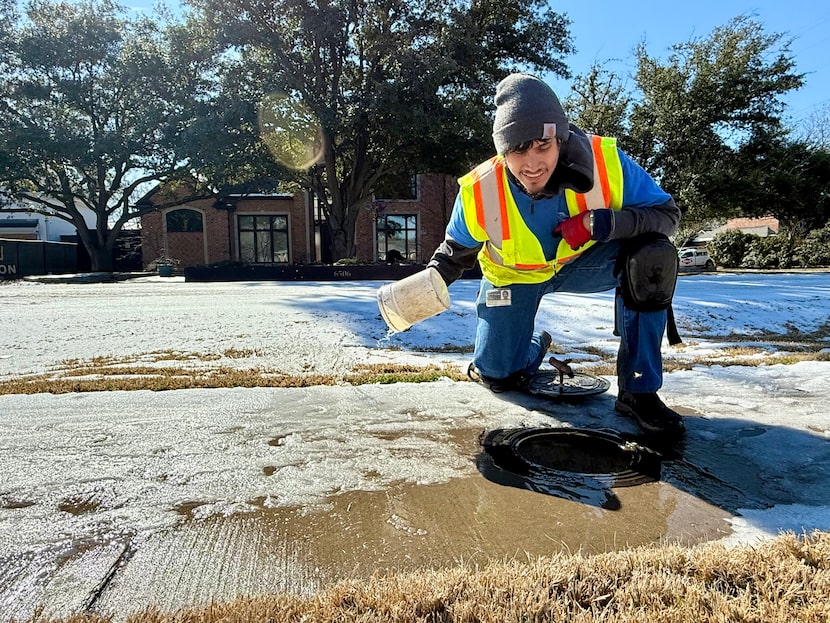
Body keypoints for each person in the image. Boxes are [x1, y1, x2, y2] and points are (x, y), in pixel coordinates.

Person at [426, 73, 684, 438]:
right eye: (517, 149)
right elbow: (455, 253)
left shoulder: (606, 163)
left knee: (653, 257)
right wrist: (424, 285)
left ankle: (639, 392)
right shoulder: (481, 189)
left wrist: (602, 224)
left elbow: (666, 216)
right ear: (502, 150)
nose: (531, 163)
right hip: (516, 278)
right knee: (497, 376)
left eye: (542, 145)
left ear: (559, 139)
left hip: (587, 263)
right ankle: (532, 346)